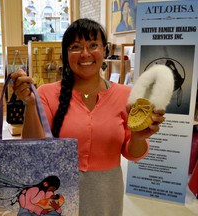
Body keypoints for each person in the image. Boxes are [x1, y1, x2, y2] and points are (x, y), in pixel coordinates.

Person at [11, 18, 165, 216]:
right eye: (76, 47)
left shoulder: (125, 95)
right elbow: (33, 147)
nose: (85, 54)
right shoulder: (46, 93)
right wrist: (31, 105)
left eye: (93, 45)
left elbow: (132, 153)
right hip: (58, 193)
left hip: (107, 192)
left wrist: (139, 137)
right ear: (66, 54)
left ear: (105, 50)